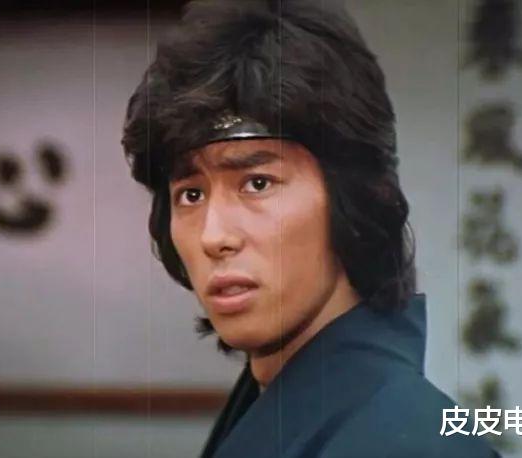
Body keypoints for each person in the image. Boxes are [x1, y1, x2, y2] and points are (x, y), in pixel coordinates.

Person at [121, 1, 498, 456]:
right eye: (191, 195)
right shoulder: (274, 405)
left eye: (257, 183)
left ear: (352, 198)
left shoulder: (408, 442)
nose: (213, 236)